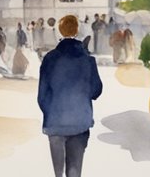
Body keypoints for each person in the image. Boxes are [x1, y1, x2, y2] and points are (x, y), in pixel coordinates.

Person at [37, 15, 103, 177]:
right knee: (75, 171)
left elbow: (42, 95)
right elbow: (96, 91)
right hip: (80, 121)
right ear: (77, 30)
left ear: (60, 31)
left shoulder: (50, 58)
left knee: (58, 173)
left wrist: (50, 113)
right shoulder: (87, 60)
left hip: (55, 122)